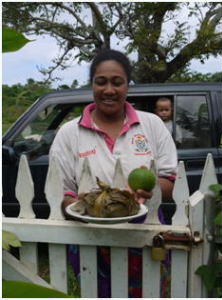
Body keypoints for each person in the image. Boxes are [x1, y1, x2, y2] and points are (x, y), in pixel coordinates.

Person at [50, 49, 178, 297]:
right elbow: (61, 190)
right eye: (101, 82)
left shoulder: (151, 124)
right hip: (90, 236)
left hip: (145, 232)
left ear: (127, 86)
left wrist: (148, 189)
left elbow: (169, 179)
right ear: (92, 85)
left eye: (117, 82)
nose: (109, 90)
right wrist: (86, 208)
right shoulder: (69, 133)